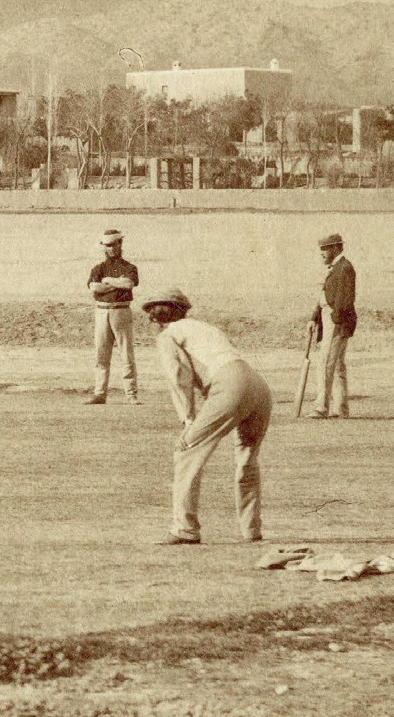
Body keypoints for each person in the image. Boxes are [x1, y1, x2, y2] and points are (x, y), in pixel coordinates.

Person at [145, 287, 271, 545]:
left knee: (186, 451)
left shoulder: (168, 335)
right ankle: (251, 530)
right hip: (258, 385)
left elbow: (179, 377)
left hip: (230, 384)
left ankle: (185, 529)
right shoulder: (204, 327)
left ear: (157, 318)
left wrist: (188, 421)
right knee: (246, 457)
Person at [84, 228, 140, 405]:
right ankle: (100, 393)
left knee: (126, 354)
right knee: (101, 354)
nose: (110, 249)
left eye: (113, 244)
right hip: (102, 311)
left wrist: (107, 282)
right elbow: (94, 287)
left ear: (120, 244)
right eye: (107, 246)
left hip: (121, 310)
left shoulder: (130, 267)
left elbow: (129, 283)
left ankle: (131, 394)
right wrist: (116, 284)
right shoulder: (98, 268)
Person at [307, 233, 355, 420]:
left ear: (336, 248)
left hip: (336, 322)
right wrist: (314, 318)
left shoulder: (344, 268)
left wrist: (334, 320)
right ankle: (341, 408)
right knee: (336, 366)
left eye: (325, 248)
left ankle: (321, 408)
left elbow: (345, 300)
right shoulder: (336, 268)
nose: (322, 252)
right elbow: (323, 297)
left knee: (326, 363)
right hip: (331, 319)